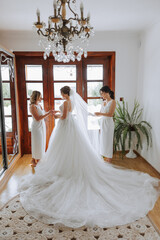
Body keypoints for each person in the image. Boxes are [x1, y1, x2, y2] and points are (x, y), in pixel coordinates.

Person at [19, 86, 160, 228]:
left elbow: (64, 116)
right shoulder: (70, 102)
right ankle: (69, 166)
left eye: (61, 92)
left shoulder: (67, 102)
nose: (60, 94)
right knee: (70, 149)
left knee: (64, 148)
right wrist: (57, 114)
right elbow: (67, 114)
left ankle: (65, 168)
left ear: (64, 93)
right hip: (69, 126)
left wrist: (56, 116)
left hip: (65, 126)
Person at [29, 91, 55, 168]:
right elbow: (37, 118)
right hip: (36, 126)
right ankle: (37, 160)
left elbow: (42, 114)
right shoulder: (32, 106)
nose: (41, 98)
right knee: (37, 142)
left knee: (41, 142)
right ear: (36, 97)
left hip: (42, 125)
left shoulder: (39, 106)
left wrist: (51, 112)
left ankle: (34, 159)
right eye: (40, 96)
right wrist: (48, 113)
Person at [95, 86, 116, 163]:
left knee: (108, 141)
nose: (101, 95)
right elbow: (101, 114)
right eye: (101, 94)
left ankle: (109, 159)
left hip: (109, 123)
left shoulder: (113, 102)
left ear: (107, 93)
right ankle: (104, 158)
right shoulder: (103, 102)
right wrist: (95, 115)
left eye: (102, 93)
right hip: (103, 123)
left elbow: (110, 114)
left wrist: (100, 113)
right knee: (103, 140)